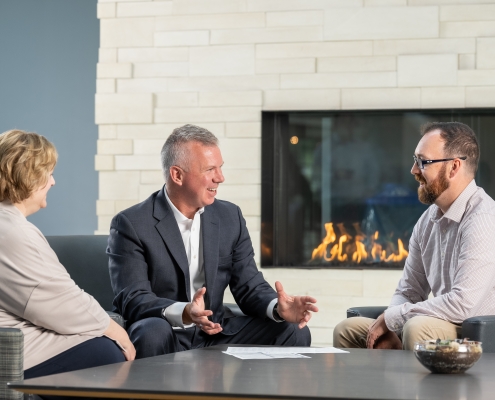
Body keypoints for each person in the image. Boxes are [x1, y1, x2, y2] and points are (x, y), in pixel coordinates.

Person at [108, 124, 318, 358]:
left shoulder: (230, 217)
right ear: (177, 175)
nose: (220, 178)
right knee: (152, 332)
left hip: (216, 331)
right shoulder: (131, 223)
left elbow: (248, 285)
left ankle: (256, 395)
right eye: (210, 169)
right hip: (165, 329)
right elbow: (133, 299)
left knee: (293, 331)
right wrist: (186, 312)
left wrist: (278, 308)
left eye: (220, 168)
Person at [333, 121, 495, 350]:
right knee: (348, 330)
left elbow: (463, 305)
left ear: (454, 167)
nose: (414, 170)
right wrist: (392, 326)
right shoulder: (427, 221)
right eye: (415, 160)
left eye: (423, 161)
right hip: (438, 322)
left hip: (475, 331)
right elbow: (408, 291)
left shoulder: (483, 219)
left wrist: (392, 319)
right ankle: (381, 385)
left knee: (417, 327)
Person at [0, 130, 135, 383]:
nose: (53, 182)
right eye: (48, 173)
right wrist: (116, 331)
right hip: (11, 351)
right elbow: (61, 302)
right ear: (29, 176)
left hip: (16, 336)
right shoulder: (13, 232)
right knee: (107, 353)